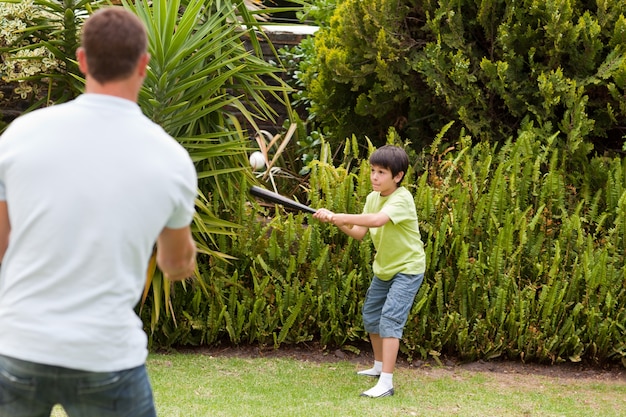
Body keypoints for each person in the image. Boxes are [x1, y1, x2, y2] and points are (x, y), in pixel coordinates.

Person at [0, 7, 197, 417]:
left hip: (17, 346)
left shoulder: (21, 135)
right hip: (105, 354)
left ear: (83, 60)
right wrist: (184, 258)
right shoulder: (171, 159)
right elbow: (174, 263)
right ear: (144, 64)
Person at [313, 145, 425, 398]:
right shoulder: (372, 198)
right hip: (384, 268)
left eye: (381, 172)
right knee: (372, 316)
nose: (374, 177)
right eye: (373, 171)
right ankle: (377, 366)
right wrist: (336, 221)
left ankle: (386, 383)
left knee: (390, 320)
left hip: (408, 268)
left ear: (398, 176)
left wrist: (338, 214)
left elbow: (377, 221)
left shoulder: (401, 198)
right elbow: (359, 233)